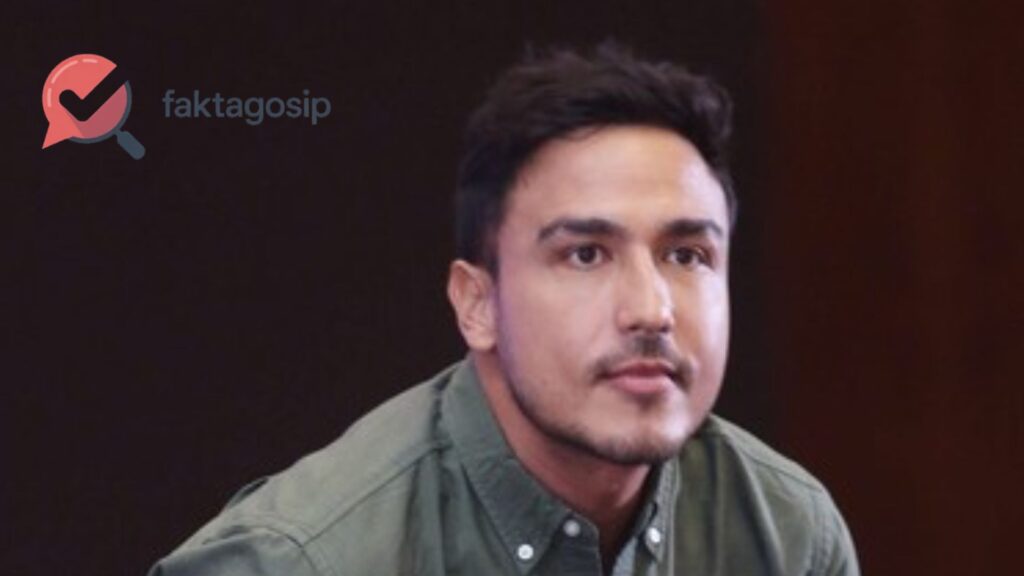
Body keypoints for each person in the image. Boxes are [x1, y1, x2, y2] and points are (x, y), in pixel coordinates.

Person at [148, 43, 859, 576]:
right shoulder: (295, 563)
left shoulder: (788, 536)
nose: (651, 310)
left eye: (687, 255)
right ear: (477, 305)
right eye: (586, 254)